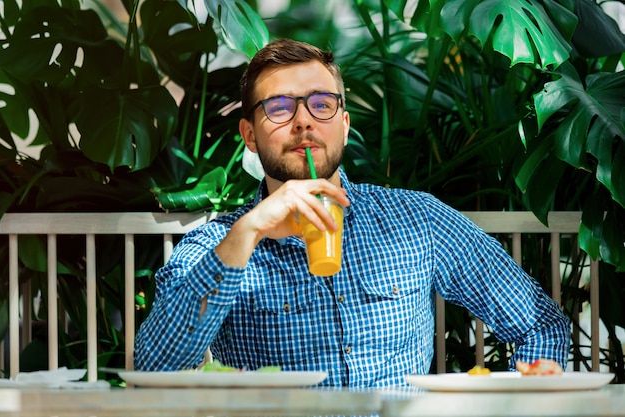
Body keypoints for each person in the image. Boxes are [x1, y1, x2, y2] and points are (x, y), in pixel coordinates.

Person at [134, 38, 570, 387]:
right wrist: (248, 233)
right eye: (280, 108)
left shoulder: (414, 219)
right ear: (250, 134)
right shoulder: (219, 244)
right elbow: (155, 369)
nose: (303, 121)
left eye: (321, 104)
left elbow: (540, 325)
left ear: (343, 125)